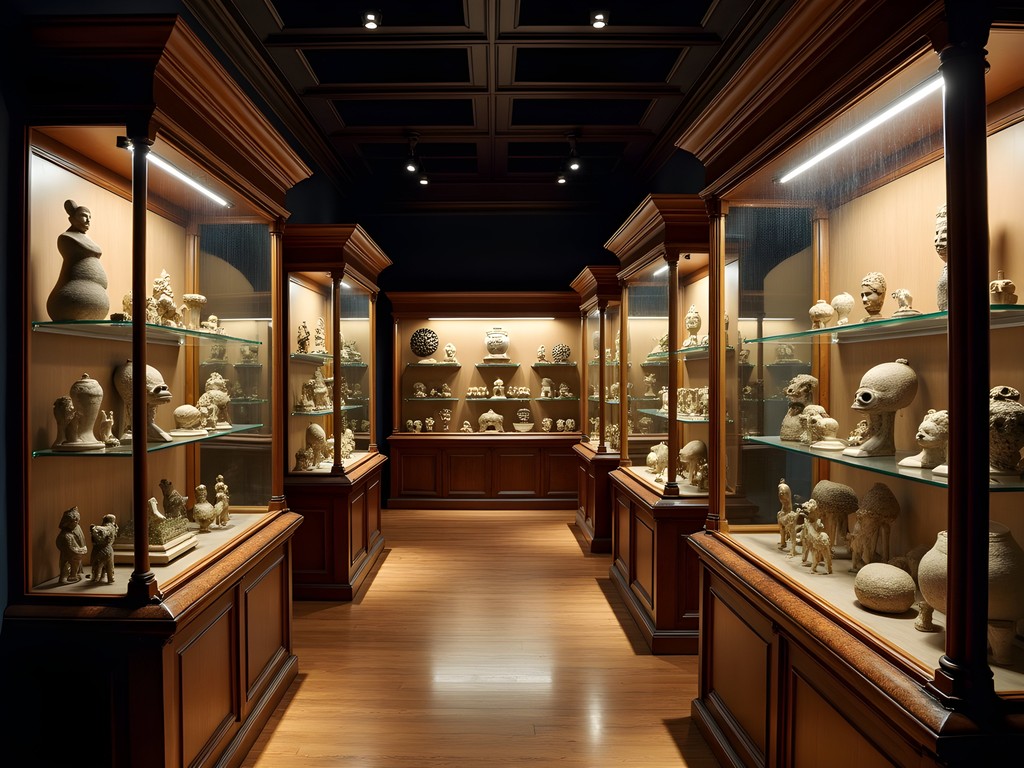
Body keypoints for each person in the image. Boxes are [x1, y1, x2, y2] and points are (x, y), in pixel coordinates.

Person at [47, 199, 110, 321]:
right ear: (71, 219)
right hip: (69, 302)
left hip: (94, 307)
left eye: (90, 217)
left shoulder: (87, 239)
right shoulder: (66, 237)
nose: (88, 220)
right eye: (83, 216)